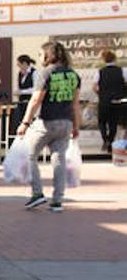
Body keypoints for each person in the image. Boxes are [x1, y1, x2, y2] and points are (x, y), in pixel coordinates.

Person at [17, 40, 81, 212]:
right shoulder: (74, 75)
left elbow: (36, 99)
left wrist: (25, 122)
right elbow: (76, 104)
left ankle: (37, 193)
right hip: (66, 122)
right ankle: (57, 200)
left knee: (29, 155)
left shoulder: (46, 73)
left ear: (49, 55)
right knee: (58, 159)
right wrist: (76, 126)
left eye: (40, 54)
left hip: (46, 122)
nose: (39, 57)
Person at [94, 48, 124, 151]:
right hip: (117, 101)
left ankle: (105, 140)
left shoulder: (100, 72)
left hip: (104, 100)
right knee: (113, 123)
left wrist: (100, 94)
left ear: (104, 60)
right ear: (114, 59)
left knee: (102, 122)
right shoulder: (121, 70)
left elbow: (94, 87)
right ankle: (110, 141)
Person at [12, 53, 37, 130]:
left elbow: (35, 89)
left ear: (25, 64)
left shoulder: (34, 73)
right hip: (21, 102)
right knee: (19, 120)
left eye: (19, 65)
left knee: (31, 122)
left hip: (30, 101)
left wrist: (22, 92)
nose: (19, 67)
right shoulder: (20, 74)